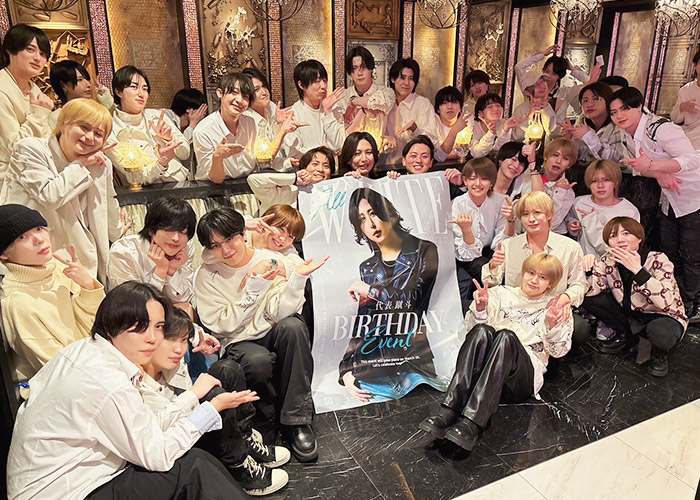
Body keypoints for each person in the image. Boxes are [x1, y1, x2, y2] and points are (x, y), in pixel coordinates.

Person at [7, 282, 252, 500]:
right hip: (67, 491)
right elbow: (158, 454)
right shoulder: (107, 381)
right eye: (140, 327)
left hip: (58, 481)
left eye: (159, 327)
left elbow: (147, 429)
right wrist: (210, 410)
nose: (153, 338)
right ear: (112, 325)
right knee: (192, 468)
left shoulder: (84, 350)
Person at [194, 207, 327, 461]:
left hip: (271, 327)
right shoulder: (206, 275)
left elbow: (281, 311)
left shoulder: (269, 260)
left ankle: (297, 421)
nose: (226, 250)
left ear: (243, 234)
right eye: (216, 245)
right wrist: (252, 291)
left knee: (293, 327)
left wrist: (296, 281)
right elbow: (223, 325)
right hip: (238, 339)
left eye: (230, 239)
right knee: (257, 361)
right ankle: (266, 417)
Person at [420, 253, 572, 451]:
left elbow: (559, 352)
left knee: (506, 337)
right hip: (485, 375)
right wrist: (480, 308)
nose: (534, 280)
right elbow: (471, 331)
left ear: (551, 283)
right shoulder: (500, 293)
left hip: (519, 381)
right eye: (531, 273)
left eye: (542, 277)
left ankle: (472, 423)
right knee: (482, 331)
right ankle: (449, 409)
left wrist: (553, 325)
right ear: (523, 273)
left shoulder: (556, 308)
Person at [140, 308, 289, 496]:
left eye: (183, 340)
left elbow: (184, 325)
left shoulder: (171, 360)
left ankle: (244, 439)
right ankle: (238, 467)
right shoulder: (135, 382)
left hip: (189, 420)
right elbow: (157, 433)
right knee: (213, 395)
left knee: (227, 370)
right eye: (170, 340)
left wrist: (197, 338)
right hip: (176, 444)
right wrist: (196, 395)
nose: (178, 349)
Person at [0, 98, 122, 283]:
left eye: (98, 134)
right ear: (63, 124)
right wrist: (81, 164)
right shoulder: (30, 149)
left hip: (84, 260)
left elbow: (107, 201)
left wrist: (118, 232)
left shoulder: (101, 163)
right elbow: (50, 196)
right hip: (35, 259)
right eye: (84, 127)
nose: (90, 137)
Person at [341, 187, 441, 403]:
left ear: (388, 213)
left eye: (373, 213)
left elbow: (413, 302)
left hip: (412, 362)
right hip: (374, 364)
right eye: (362, 219)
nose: (371, 223)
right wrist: (346, 369)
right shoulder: (367, 267)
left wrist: (371, 290)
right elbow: (364, 321)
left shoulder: (425, 251)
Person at [611, 87, 700, 321]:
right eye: (614, 112)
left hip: (693, 197)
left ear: (639, 107)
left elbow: (692, 160)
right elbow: (637, 168)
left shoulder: (660, 128)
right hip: (669, 199)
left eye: (625, 108)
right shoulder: (626, 135)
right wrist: (658, 173)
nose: (619, 115)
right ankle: (672, 298)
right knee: (669, 251)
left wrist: (654, 167)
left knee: (692, 256)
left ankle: (691, 304)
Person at [0, 205, 103, 381]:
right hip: (75, 382)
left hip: (98, 362)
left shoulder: (59, 267)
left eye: (39, 229)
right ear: (3, 255)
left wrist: (88, 286)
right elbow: (59, 370)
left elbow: (102, 327)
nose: (39, 239)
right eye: (22, 237)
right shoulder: (17, 302)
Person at [583, 217, 687, 377]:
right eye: (613, 236)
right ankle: (627, 336)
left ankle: (659, 353)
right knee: (589, 298)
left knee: (660, 332)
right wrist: (588, 270)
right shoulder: (608, 260)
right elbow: (591, 290)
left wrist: (638, 271)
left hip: (661, 315)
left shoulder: (658, 259)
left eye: (626, 233)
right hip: (631, 314)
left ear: (639, 238)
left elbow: (666, 302)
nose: (620, 240)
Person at [481, 191, 589, 343]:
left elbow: (579, 284)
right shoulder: (508, 245)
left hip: (550, 308)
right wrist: (493, 265)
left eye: (537, 213)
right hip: (515, 310)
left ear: (549, 214)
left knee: (580, 328)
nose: (531, 219)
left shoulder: (570, 247)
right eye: (525, 214)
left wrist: (565, 298)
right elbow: (492, 283)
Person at [106, 65, 190, 185]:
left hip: (181, 183)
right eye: (134, 87)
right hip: (146, 192)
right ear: (118, 91)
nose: (141, 94)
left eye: (145, 89)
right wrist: (161, 164)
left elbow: (185, 154)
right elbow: (136, 176)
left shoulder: (156, 116)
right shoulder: (111, 128)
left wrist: (170, 138)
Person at [108, 196, 197, 306]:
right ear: (151, 230)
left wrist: (172, 271)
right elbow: (134, 306)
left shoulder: (184, 248)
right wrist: (160, 270)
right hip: (132, 313)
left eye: (183, 232)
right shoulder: (123, 252)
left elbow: (185, 298)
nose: (176, 238)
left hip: (169, 310)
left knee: (186, 308)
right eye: (168, 230)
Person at [450, 158, 513, 311]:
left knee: (508, 268)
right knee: (484, 269)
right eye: (472, 178)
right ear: (465, 181)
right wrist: (467, 230)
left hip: (491, 250)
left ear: (491, 182)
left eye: (484, 179)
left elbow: (503, 241)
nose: (478, 183)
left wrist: (511, 220)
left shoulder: (501, 201)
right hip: (465, 254)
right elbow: (466, 253)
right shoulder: (457, 204)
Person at [0, 24, 53, 186]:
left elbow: (46, 138)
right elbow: (14, 149)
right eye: (30, 50)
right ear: (10, 50)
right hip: (9, 179)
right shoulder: (2, 88)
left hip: (36, 171)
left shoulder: (34, 89)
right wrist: (39, 114)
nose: (38, 58)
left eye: (43, 54)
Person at [567, 160, 639, 257]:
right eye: (594, 181)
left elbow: (620, 250)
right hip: (582, 261)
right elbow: (572, 228)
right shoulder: (579, 203)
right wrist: (573, 226)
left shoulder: (629, 211)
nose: (600, 186)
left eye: (606, 180)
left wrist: (590, 221)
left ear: (616, 182)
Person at [515, 44, 599, 122]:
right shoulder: (531, 87)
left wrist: (573, 70)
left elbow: (590, 84)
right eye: (547, 71)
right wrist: (542, 54)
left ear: (559, 77)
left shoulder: (566, 93)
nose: (548, 76)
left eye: (553, 74)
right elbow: (519, 67)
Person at [284, 59, 345, 158]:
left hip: (331, 167)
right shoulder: (293, 114)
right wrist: (321, 150)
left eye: (324, 80)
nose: (323, 86)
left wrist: (328, 111)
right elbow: (294, 153)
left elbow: (337, 146)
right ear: (301, 85)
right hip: (306, 167)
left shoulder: (333, 108)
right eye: (317, 81)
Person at [384, 58, 440, 164]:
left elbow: (433, 143)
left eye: (411, 78)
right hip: (383, 165)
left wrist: (415, 129)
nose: (406, 83)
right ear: (392, 79)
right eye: (402, 77)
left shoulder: (423, 104)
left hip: (412, 166)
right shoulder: (384, 102)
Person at [247, 145, 334, 213]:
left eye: (326, 166)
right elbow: (253, 180)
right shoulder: (284, 191)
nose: (320, 169)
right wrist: (294, 178)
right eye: (315, 164)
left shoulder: (334, 196)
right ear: (304, 167)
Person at [242, 67, 298, 172]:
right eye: (256, 90)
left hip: (279, 169)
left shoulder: (270, 107)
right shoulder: (246, 120)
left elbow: (279, 148)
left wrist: (278, 124)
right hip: (259, 174)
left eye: (264, 86)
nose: (264, 92)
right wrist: (282, 130)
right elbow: (262, 159)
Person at [334, 46, 395, 140]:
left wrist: (354, 101)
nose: (360, 73)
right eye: (355, 68)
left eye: (364, 67)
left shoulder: (386, 92)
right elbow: (340, 135)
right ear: (350, 73)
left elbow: (380, 102)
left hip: (378, 148)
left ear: (371, 69)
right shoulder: (342, 97)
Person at [560, 81, 625, 165]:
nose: (589, 104)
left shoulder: (619, 124)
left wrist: (588, 136)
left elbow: (617, 160)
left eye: (596, 99)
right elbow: (583, 156)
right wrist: (571, 139)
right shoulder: (581, 123)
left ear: (608, 101)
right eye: (585, 100)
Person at [48, 59, 115, 130]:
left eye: (87, 79)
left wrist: (108, 103)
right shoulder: (56, 117)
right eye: (79, 80)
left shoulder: (96, 112)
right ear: (63, 86)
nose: (88, 85)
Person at [535, 138, 579, 235]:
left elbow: (552, 224)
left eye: (565, 159)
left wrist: (559, 192)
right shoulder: (531, 176)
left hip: (553, 236)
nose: (558, 161)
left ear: (569, 165)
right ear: (546, 156)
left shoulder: (567, 192)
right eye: (555, 155)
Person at [469, 93, 519, 159]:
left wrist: (505, 130)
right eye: (490, 107)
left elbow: (500, 151)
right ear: (480, 113)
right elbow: (476, 154)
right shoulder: (473, 126)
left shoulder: (505, 123)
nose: (496, 109)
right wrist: (491, 133)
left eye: (498, 105)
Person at [671, 49, 700, 151]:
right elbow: (674, 118)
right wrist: (681, 107)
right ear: (695, 66)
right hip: (686, 133)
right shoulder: (686, 90)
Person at [434, 86, 472, 162]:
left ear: (460, 108)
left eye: (454, 102)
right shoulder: (433, 122)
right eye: (444, 103)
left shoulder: (467, 119)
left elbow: (470, 150)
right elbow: (438, 155)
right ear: (438, 109)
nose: (449, 107)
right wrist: (454, 131)